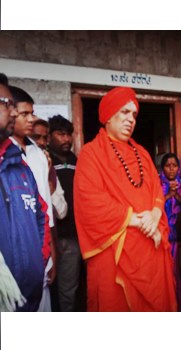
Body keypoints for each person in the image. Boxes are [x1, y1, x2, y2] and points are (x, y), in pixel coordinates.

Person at [73, 86, 176, 311]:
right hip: (114, 249)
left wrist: (155, 215)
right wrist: (138, 221)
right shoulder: (91, 154)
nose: (131, 119)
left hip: (150, 247)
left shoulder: (143, 154)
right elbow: (90, 203)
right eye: (124, 112)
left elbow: (156, 192)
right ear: (108, 116)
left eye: (134, 115)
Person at [0, 75, 47, 312]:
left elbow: (40, 216)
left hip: (29, 296)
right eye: (5, 103)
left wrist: (39, 260)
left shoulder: (20, 164)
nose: (12, 112)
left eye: (12, 105)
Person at [9, 85, 56, 312]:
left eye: (32, 113)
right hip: (16, 251)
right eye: (25, 113)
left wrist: (51, 254)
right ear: (10, 113)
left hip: (42, 244)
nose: (32, 119)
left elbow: (45, 209)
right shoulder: (6, 155)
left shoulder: (38, 154)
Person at [48, 115, 84, 312]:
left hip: (76, 234)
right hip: (54, 235)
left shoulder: (75, 160)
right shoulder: (44, 159)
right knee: (54, 287)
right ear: (50, 135)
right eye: (61, 134)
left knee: (71, 287)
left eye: (69, 134)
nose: (66, 139)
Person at [160, 153, 181, 311]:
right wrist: (168, 194)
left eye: (174, 165)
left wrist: (177, 195)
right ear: (162, 168)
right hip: (164, 239)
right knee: (167, 275)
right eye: (167, 165)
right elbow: (154, 206)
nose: (171, 169)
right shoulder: (158, 185)